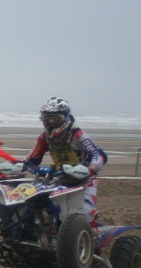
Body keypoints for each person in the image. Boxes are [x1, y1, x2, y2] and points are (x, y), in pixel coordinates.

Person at [16, 98, 107, 228]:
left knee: (85, 214)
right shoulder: (45, 137)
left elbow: (98, 153)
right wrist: (18, 165)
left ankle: (89, 238)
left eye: (55, 119)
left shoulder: (77, 134)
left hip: (85, 180)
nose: (51, 123)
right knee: (45, 205)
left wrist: (91, 168)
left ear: (65, 118)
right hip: (62, 179)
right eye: (47, 119)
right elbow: (33, 158)